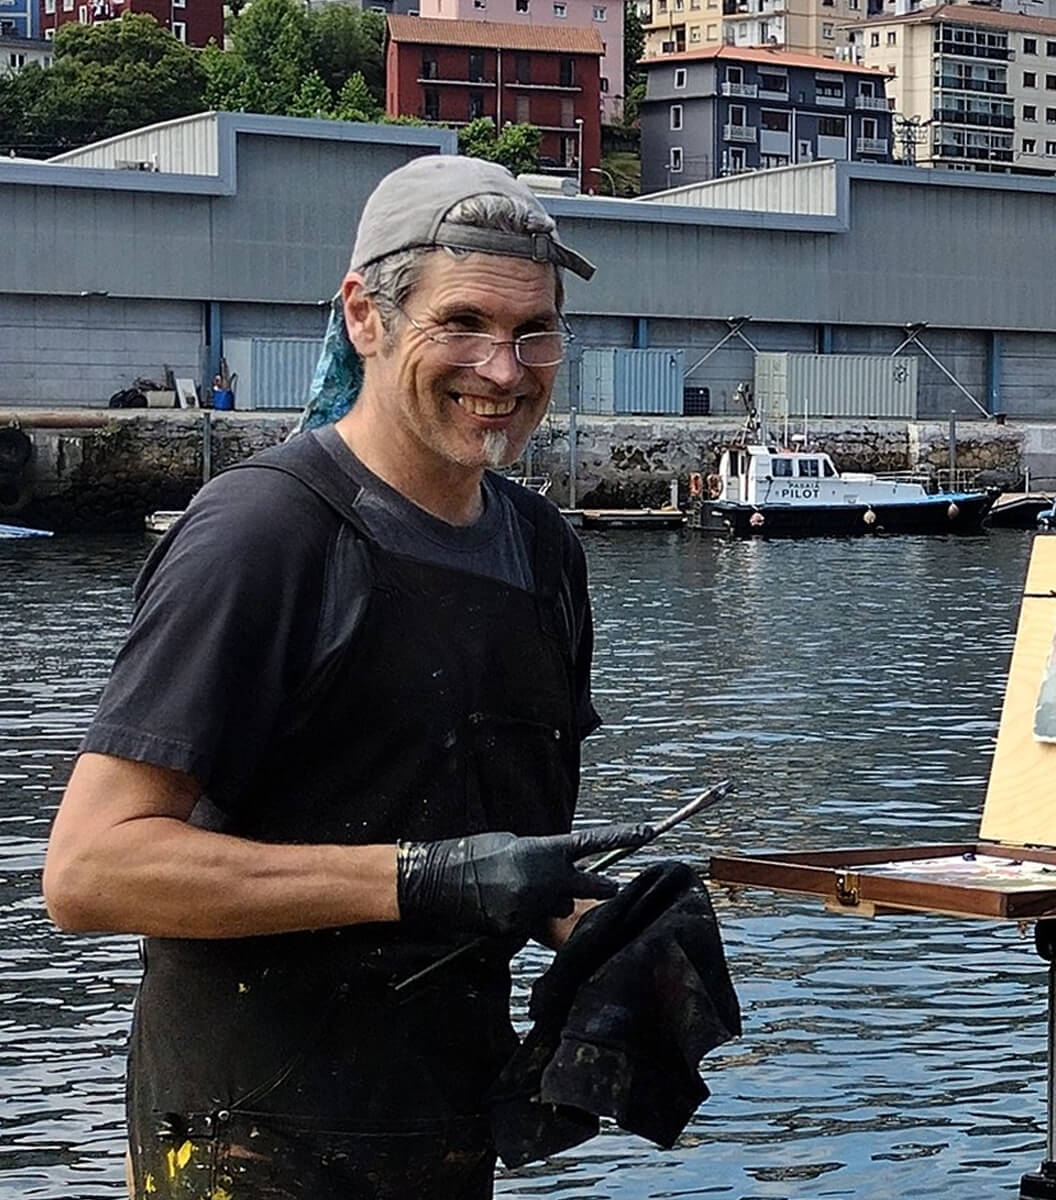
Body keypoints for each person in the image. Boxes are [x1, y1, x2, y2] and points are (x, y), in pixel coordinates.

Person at [42, 156, 654, 1199]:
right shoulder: (264, 533)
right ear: (365, 316)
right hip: (248, 1141)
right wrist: (421, 879)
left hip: (442, 1126)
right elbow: (93, 871)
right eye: (461, 323)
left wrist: (583, 920)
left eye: (532, 332)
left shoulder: (541, 548)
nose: (503, 371)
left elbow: (475, 833)